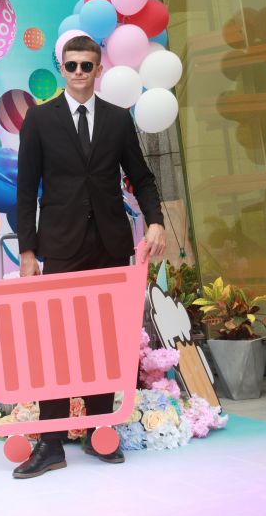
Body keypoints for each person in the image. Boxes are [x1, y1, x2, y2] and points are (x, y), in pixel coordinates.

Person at [14, 35, 166, 479]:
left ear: (99, 70)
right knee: (56, 344)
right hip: (60, 246)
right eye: (72, 65)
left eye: (87, 65)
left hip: (109, 245)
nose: (79, 72)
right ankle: (50, 443)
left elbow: (141, 177)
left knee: (103, 339)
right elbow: (25, 188)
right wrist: (28, 250)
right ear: (62, 69)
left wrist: (155, 221)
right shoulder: (39, 119)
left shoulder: (118, 119)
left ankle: (100, 429)